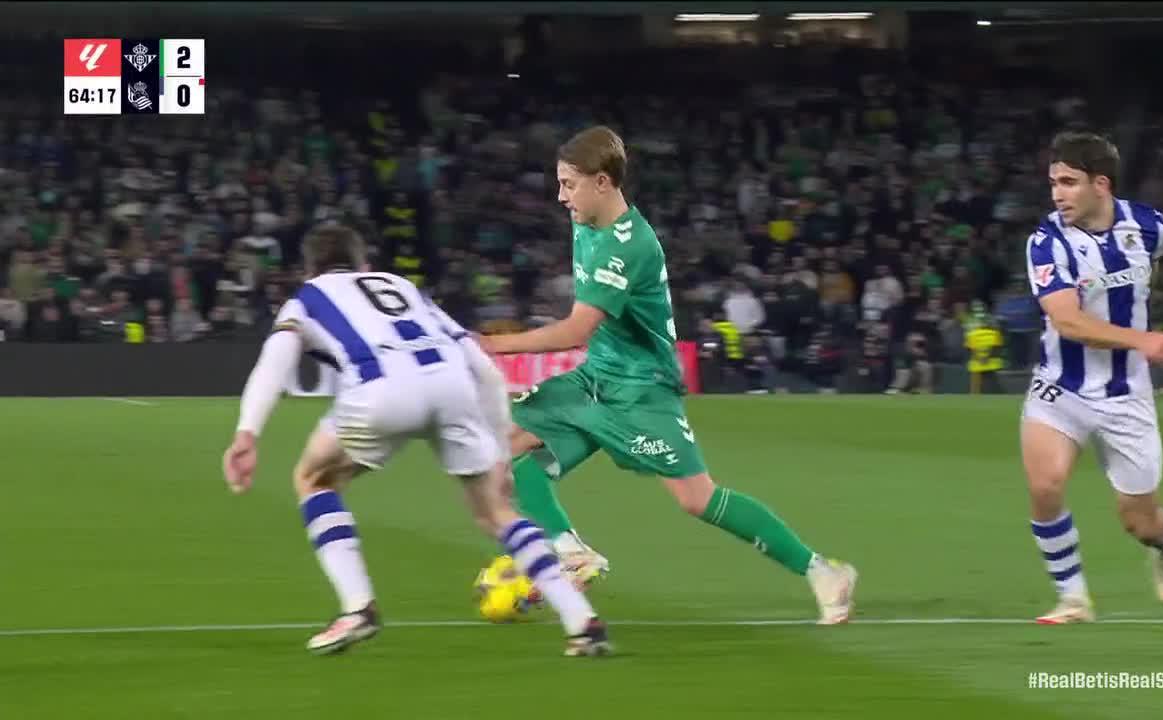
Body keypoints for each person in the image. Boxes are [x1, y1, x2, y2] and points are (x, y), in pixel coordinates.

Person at [477, 126, 857, 625]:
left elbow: (575, 330)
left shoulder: (629, 247)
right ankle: (571, 552)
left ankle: (823, 572)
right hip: (598, 377)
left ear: (604, 182)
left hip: (641, 390)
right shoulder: (586, 222)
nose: (560, 195)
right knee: (509, 450)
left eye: (569, 184)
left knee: (696, 498)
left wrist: (492, 346)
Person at [221, 225, 610, 657]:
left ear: (308, 269)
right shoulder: (402, 286)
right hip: (453, 386)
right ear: (363, 264)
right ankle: (581, 620)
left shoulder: (308, 297)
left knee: (314, 479)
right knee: (496, 512)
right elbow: (479, 363)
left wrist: (247, 433)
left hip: (381, 390)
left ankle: (357, 607)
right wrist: (500, 448)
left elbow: (274, 362)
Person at [1021, 132, 1163, 624]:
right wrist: (1144, 340)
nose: (1057, 193)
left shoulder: (1150, 226)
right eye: (1054, 182)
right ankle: (1074, 598)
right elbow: (1069, 322)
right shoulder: (1046, 242)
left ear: (1101, 184)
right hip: (1061, 385)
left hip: (1125, 396)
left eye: (1069, 182)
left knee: (1139, 522)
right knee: (1046, 485)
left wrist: (1132, 323)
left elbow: (1146, 269)